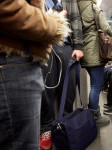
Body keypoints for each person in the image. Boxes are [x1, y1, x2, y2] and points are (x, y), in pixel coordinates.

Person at [0, 0, 70, 149]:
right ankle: (47, 129)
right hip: (13, 58)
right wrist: (55, 24)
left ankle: (59, 126)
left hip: (24, 55)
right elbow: (7, 7)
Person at [40, 0, 83, 149]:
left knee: (69, 87)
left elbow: (76, 20)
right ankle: (45, 127)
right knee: (47, 89)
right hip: (44, 44)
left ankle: (66, 123)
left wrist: (78, 45)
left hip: (65, 45)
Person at [77, 0, 112, 125]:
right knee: (95, 86)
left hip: (83, 52)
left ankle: (91, 111)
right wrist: (111, 34)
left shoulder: (76, 8)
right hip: (95, 52)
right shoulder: (93, 8)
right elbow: (106, 28)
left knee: (93, 86)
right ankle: (95, 116)